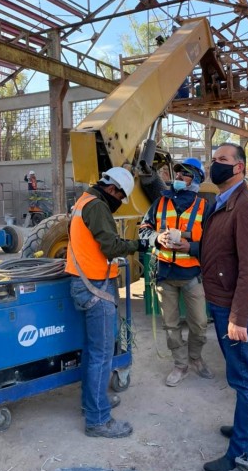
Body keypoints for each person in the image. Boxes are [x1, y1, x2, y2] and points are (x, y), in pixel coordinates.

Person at [197, 143, 248, 471]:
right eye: (214, 159)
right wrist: (187, 245)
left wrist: (239, 317)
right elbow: (217, 249)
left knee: (244, 379)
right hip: (221, 300)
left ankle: (242, 453)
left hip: (234, 308)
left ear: (239, 167)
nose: (215, 165)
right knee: (241, 374)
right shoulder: (221, 202)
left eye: (222, 160)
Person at [65, 167, 149, 438]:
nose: (119, 202)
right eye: (121, 197)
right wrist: (138, 245)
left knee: (93, 352)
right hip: (95, 288)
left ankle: (92, 403)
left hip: (86, 284)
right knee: (101, 355)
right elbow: (111, 247)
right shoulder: (97, 206)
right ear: (113, 189)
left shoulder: (83, 201)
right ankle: (98, 419)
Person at [139, 157, 213, 387]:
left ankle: (195, 358)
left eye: (185, 173)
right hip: (165, 275)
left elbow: (214, 242)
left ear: (196, 179)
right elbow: (143, 230)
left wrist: (191, 247)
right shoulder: (160, 202)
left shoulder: (204, 207)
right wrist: (156, 237)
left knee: (199, 324)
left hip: (192, 275)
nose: (179, 176)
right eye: (178, 172)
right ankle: (181, 365)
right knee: (171, 327)